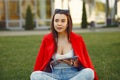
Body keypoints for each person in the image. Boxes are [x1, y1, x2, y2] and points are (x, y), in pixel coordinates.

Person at [30, 9, 98, 80]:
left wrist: (75, 63)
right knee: (34, 75)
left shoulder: (78, 39)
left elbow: (85, 61)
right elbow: (40, 61)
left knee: (89, 72)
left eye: (63, 21)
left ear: (68, 23)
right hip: (54, 75)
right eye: (56, 20)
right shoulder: (47, 39)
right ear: (53, 22)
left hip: (73, 75)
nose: (59, 24)